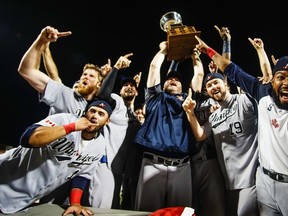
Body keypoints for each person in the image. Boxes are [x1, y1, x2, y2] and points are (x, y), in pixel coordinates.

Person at [195, 35, 288, 215]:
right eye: (281, 77)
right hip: (264, 183)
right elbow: (231, 69)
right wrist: (206, 48)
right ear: (272, 81)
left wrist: (261, 52)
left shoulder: (245, 101)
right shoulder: (262, 94)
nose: (286, 83)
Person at [0, 98, 113, 215]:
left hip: (22, 200)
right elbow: (28, 138)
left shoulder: (100, 144)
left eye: (101, 114)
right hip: (4, 177)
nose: (94, 115)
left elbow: (82, 175)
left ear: (107, 121)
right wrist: (72, 127)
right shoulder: (64, 119)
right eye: (92, 111)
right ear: (85, 113)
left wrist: (75, 203)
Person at [133, 41, 199, 212]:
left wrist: (194, 55)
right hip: (152, 163)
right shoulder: (155, 97)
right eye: (170, 79)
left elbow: (198, 76)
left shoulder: (188, 99)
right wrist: (165, 49)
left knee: (181, 213)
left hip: (182, 166)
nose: (173, 80)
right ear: (162, 85)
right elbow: (154, 66)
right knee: (147, 212)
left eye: (177, 80)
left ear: (182, 86)